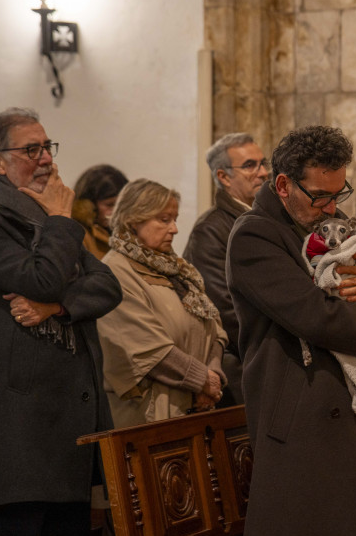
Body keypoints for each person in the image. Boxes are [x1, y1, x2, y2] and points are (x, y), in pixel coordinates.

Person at [226, 125, 356, 536]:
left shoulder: (330, 223)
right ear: (282, 185)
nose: (332, 210)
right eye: (320, 197)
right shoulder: (254, 235)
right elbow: (314, 313)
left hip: (350, 412)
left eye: (339, 194)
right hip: (301, 424)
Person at [0, 108, 122, 536]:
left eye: (47, 147)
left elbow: (107, 285)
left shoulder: (42, 218)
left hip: (70, 418)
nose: (47, 159)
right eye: (32, 149)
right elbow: (41, 277)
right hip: (23, 426)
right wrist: (62, 223)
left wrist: (57, 308)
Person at [96, 179, 226, 427]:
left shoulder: (177, 269)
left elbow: (215, 327)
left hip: (195, 405)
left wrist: (213, 376)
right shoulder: (114, 272)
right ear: (134, 220)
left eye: (174, 219)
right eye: (164, 220)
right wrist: (203, 381)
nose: (175, 229)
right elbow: (147, 349)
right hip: (150, 414)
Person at [183, 132, 269, 407]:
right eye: (250, 166)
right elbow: (226, 311)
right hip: (241, 368)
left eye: (263, 162)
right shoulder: (210, 230)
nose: (263, 172)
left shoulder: (266, 220)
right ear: (223, 177)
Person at [72, 164, 129, 259]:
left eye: (121, 204)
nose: (117, 211)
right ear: (89, 205)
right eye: (110, 204)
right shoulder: (77, 236)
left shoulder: (130, 232)